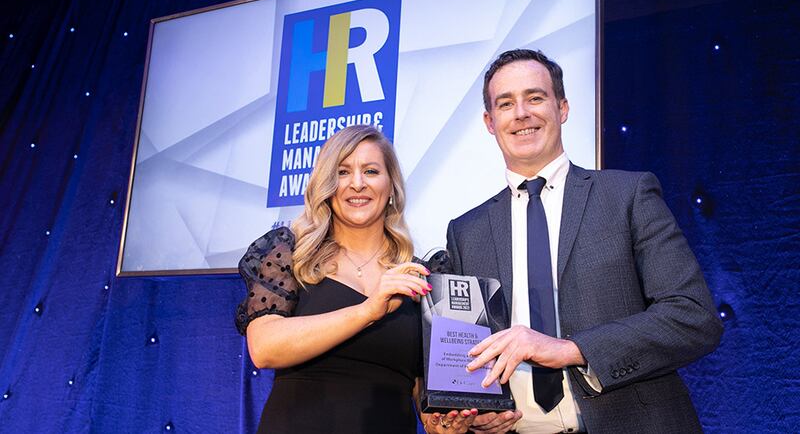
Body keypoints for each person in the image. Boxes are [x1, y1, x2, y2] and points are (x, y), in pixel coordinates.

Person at [445, 49, 723, 433]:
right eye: (506, 104)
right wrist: (479, 412)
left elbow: (693, 317)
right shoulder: (465, 231)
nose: (521, 113)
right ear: (490, 122)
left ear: (563, 108)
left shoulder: (627, 195)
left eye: (535, 97)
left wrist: (570, 349)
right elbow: (468, 357)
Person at [235, 125, 477, 434]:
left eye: (371, 171)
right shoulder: (290, 254)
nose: (357, 184)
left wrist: (437, 421)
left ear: (391, 188)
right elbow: (265, 348)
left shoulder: (419, 278)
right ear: (326, 186)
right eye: (343, 172)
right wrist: (368, 311)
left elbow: (422, 387)